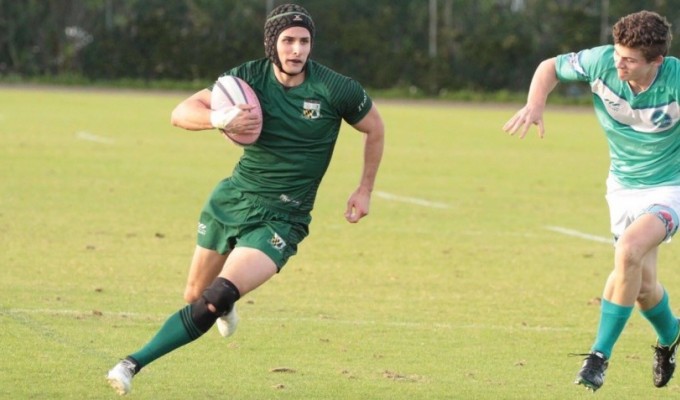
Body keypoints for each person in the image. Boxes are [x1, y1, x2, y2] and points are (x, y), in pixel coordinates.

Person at [105, 3, 384, 395]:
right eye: (288, 41)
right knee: (195, 296)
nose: (297, 50)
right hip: (231, 200)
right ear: (273, 43)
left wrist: (365, 188)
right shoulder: (247, 78)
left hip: (282, 219)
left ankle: (131, 364)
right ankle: (229, 300)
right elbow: (180, 112)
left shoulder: (334, 88)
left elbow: (375, 128)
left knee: (215, 298)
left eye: (304, 41)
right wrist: (220, 119)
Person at [503, 10, 680, 392]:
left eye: (630, 59)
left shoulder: (676, 80)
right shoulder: (601, 61)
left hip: (670, 187)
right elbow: (548, 67)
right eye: (618, 53)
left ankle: (598, 357)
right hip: (621, 187)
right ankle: (672, 336)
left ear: (656, 62)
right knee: (644, 289)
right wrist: (535, 104)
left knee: (630, 251)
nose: (620, 63)